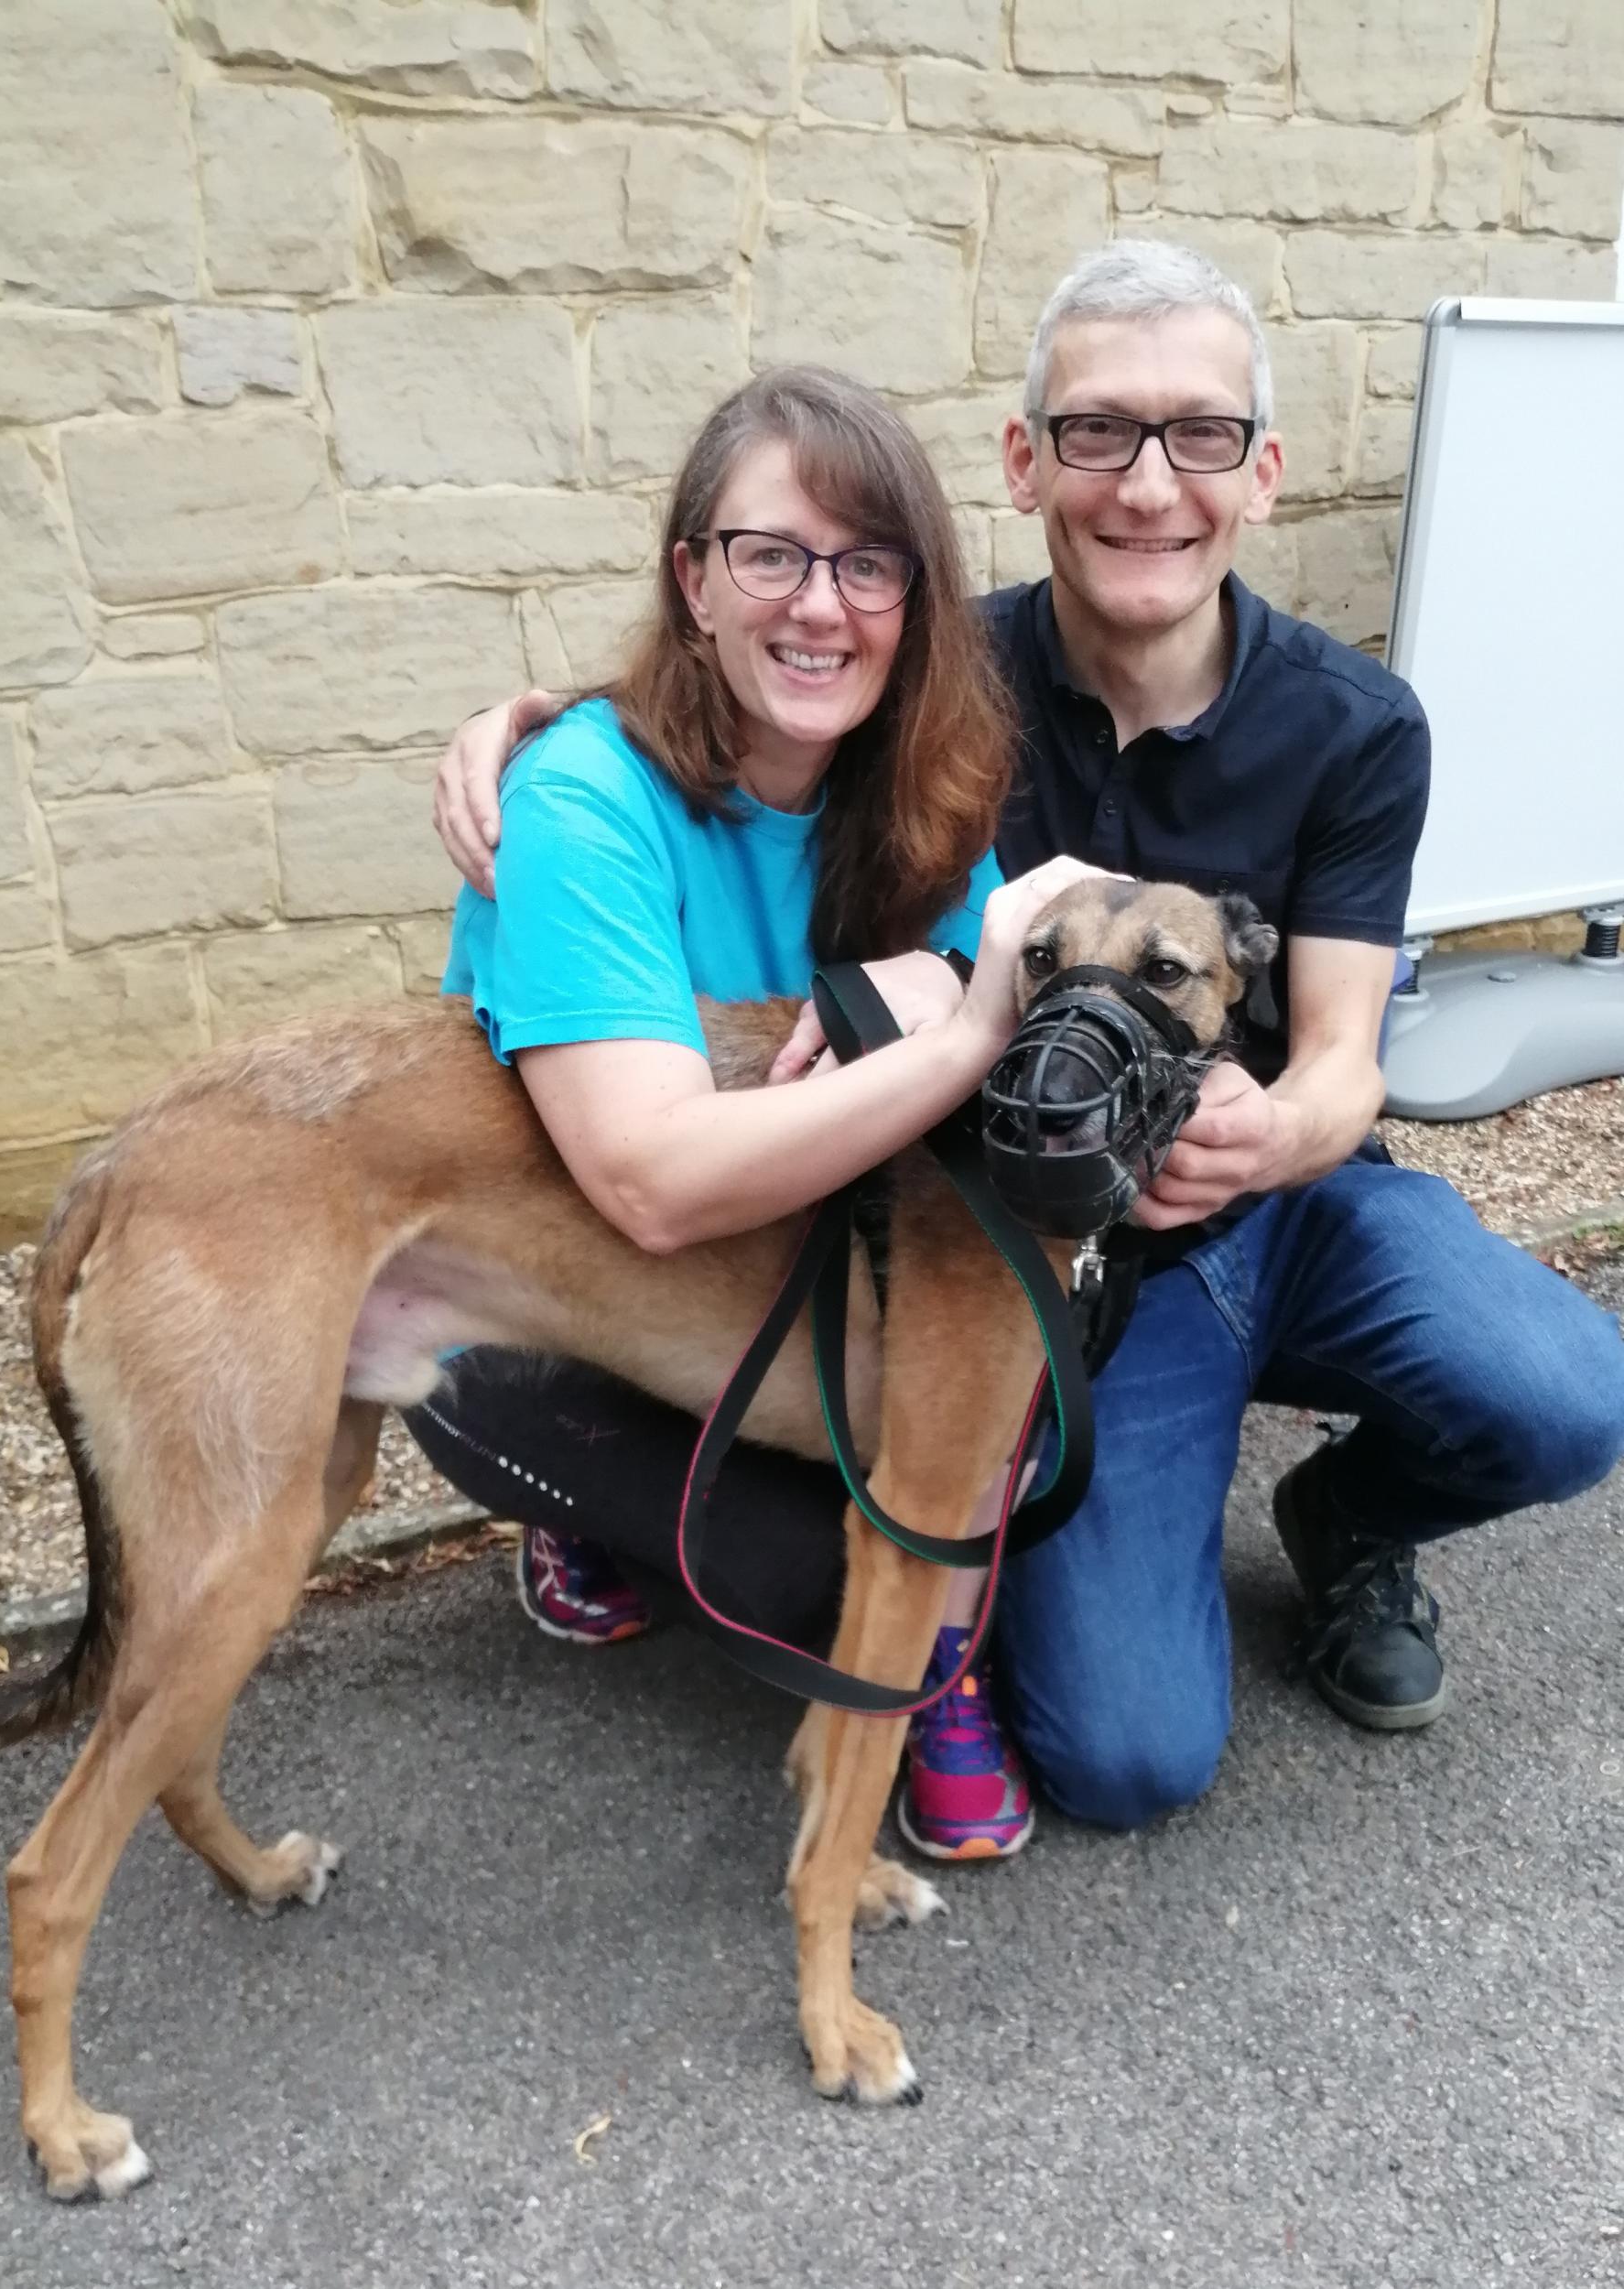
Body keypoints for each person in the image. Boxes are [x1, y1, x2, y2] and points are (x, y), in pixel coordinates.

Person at [433, 243, 1624, 1835]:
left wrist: (1275, 1131)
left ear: (1261, 474)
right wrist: (539, 722)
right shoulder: (941, 680)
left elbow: (1346, 1051)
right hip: (1061, 1243)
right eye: (1096, 434)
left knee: (1566, 1391)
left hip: (1281, 1200)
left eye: (1200, 435)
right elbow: (765, 677)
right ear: (1026, 462)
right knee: (1126, 1757)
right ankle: (646, 1502)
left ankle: (1348, 1520)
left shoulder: (1356, 726)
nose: (1148, 486)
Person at [409, 363, 1101, 1864]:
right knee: (811, 1570)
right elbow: (650, 1182)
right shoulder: (582, 796)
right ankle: (583, 1510)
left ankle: (928, 1662)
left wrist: (939, 974)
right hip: (558, 1302)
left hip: (769, 1279)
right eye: (769, 555)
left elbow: (973, 1035)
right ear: (694, 581)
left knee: (992, 1453)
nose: (818, 603)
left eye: (867, 564)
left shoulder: (926, 784)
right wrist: (966, 1022)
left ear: (913, 600)